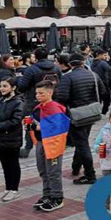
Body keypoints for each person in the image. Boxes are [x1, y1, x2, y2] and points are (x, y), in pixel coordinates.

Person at [54, 53, 109, 185]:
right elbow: (104, 93)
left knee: (82, 144)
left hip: (76, 115)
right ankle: (76, 166)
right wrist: (103, 109)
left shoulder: (68, 78)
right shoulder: (93, 75)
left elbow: (62, 98)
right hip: (91, 113)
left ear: (70, 64)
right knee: (81, 141)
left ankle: (90, 175)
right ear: (83, 62)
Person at [17, 48, 63, 158]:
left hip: (33, 100)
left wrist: (18, 79)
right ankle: (52, 144)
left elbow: (22, 86)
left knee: (30, 123)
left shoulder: (31, 69)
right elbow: (60, 83)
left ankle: (28, 147)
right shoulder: (56, 68)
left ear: (36, 57)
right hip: (52, 100)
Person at [29, 80, 67, 212]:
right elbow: (35, 122)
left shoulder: (55, 108)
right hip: (41, 142)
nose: (38, 96)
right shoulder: (38, 108)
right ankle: (47, 195)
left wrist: (40, 127)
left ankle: (57, 197)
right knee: (43, 170)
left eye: (41, 93)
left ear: (50, 92)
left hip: (53, 144)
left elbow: (60, 127)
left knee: (53, 172)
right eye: (36, 93)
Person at [0, 77, 24, 202]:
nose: (2, 89)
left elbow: (15, 121)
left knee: (13, 164)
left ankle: (14, 189)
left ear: (13, 88)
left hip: (12, 138)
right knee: (5, 165)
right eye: (1, 86)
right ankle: (7, 188)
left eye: (5, 86)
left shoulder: (18, 102)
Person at [93, 109, 111, 210]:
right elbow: (96, 145)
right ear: (109, 120)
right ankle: (105, 207)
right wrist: (99, 148)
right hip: (107, 162)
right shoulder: (104, 130)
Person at [91, 49, 111, 115]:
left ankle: (97, 112)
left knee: (98, 99)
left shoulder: (92, 63)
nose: (105, 57)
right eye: (104, 55)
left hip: (95, 84)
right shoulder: (103, 63)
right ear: (99, 55)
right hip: (104, 84)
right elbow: (110, 70)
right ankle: (103, 112)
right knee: (107, 100)